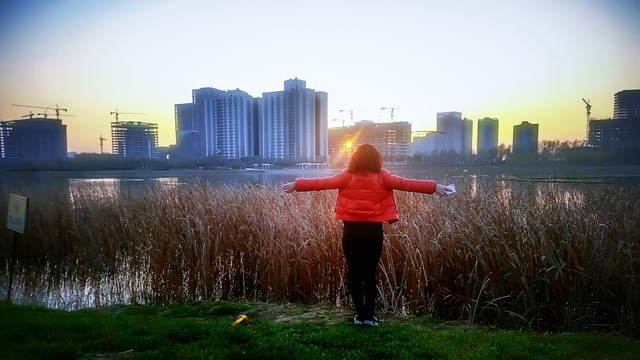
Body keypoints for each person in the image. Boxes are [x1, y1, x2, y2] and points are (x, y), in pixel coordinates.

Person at [282, 144, 452, 326]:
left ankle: (360, 315)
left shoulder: (347, 176)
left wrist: (296, 185)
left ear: (355, 159)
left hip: (351, 233)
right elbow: (407, 184)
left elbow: (322, 183)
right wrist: (434, 187)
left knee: (354, 273)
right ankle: (370, 317)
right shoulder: (383, 176)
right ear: (376, 160)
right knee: (370, 274)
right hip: (373, 233)